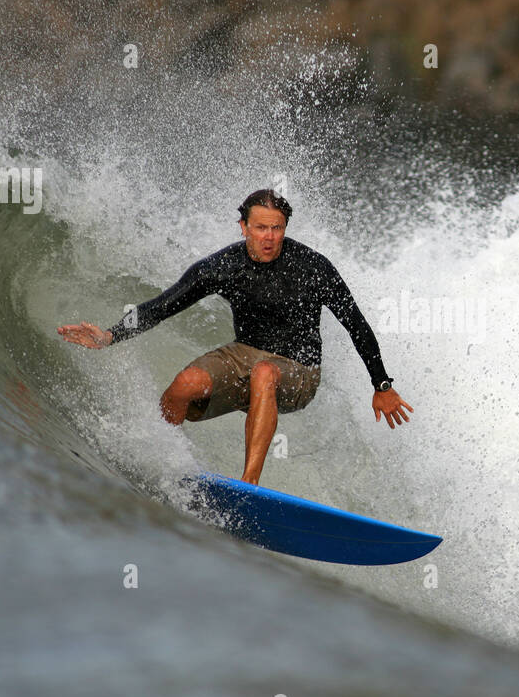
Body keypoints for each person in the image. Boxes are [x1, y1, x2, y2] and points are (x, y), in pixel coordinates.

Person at [57, 189, 412, 485]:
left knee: (264, 373)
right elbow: (164, 304)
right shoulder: (222, 267)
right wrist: (109, 336)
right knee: (184, 385)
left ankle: (249, 487)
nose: (269, 237)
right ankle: (162, 459)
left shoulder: (313, 268)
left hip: (298, 369)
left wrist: (382, 385)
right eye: (260, 228)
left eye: (277, 228)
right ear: (243, 227)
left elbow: (355, 323)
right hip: (242, 354)